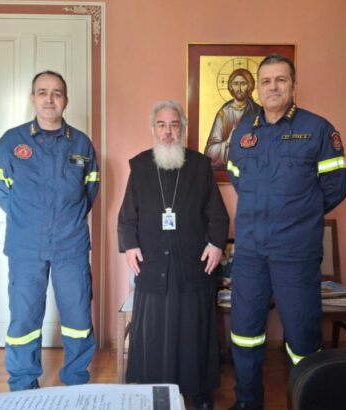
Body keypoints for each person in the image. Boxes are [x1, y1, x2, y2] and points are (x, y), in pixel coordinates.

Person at [226, 54, 346, 410]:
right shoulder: (243, 133)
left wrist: (298, 216)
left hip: (295, 253)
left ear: (294, 84)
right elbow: (238, 179)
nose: (273, 87)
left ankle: (303, 403)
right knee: (244, 333)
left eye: (281, 79)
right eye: (266, 81)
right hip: (250, 252)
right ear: (258, 88)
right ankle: (247, 402)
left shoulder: (318, 129)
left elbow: (335, 188)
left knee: (302, 337)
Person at [0, 70, 99, 391]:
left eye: (56, 93)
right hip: (26, 247)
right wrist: (27, 218)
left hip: (71, 245)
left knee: (78, 317)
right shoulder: (12, 141)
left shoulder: (81, 143)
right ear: (33, 98)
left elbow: (90, 191)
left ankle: (76, 381)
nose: (49, 99)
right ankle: (23, 385)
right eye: (42, 92)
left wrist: (68, 218)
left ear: (66, 100)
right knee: (24, 317)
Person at [118, 100, 229, 410]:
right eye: (162, 125)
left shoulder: (200, 166)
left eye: (174, 125)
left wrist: (216, 244)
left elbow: (218, 215)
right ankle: (152, 388)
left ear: (183, 129)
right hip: (153, 263)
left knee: (195, 329)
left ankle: (199, 390)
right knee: (154, 330)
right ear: (153, 129)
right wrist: (130, 246)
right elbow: (127, 216)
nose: (168, 131)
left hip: (192, 264)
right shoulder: (140, 166)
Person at [204, 68, 261, 170]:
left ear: (249, 86)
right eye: (235, 84)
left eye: (243, 84)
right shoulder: (224, 113)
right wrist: (228, 142)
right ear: (231, 86)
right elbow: (209, 152)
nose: (239, 88)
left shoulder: (258, 112)